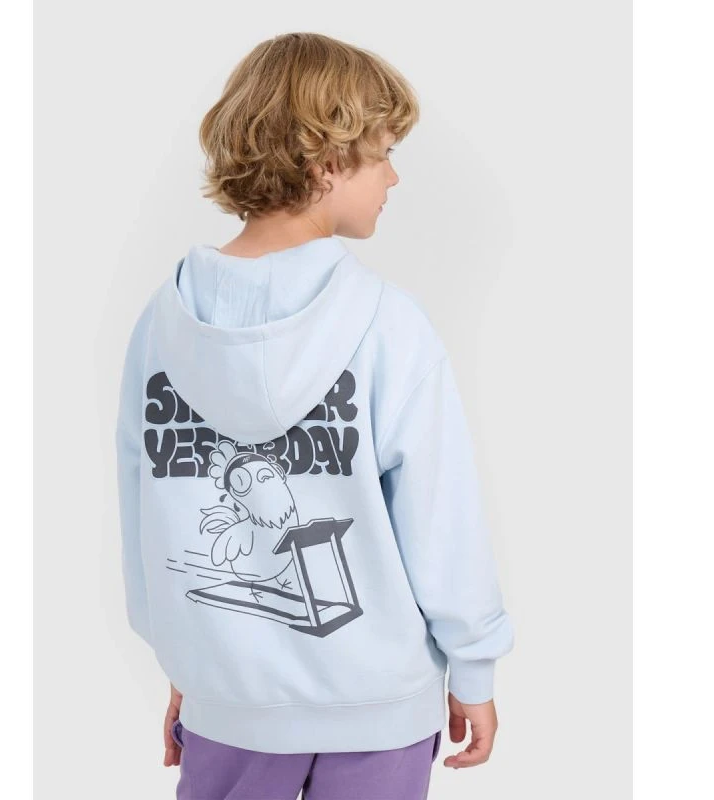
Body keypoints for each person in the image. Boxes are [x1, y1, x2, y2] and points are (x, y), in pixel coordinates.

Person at [115, 31, 514, 800]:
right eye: (383, 154)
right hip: (377, 711)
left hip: (227, 703)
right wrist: (473, 664)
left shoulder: (161, 327)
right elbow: (443, 518)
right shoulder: (388, 326)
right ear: (328, 162)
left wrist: (187, 664)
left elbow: (144, 520)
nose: (394, 176)